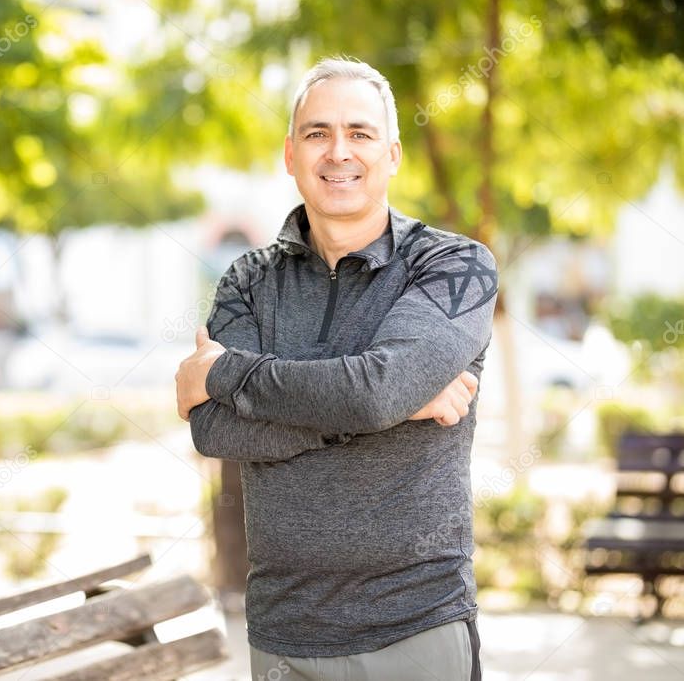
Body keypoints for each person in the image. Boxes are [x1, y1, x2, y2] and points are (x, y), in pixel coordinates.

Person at [175, 57, 498, 681]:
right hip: (283, 636)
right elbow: (216, 433)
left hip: (416, 625)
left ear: (394, 154)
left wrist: (225, 375)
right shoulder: (248, 278)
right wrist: (391, 402)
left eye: (361, 133)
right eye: (318, 133)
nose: (338, 152)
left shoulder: (455, 267)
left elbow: (377, 393)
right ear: (291, 155)